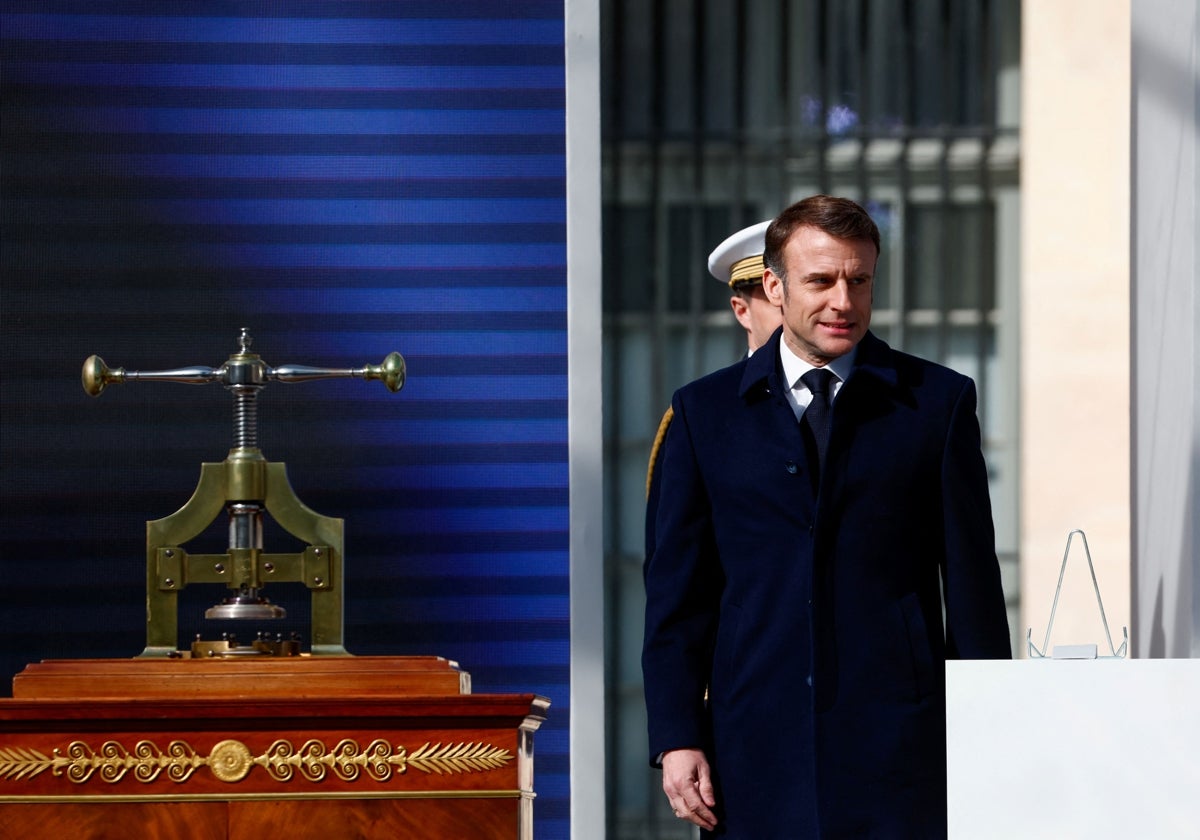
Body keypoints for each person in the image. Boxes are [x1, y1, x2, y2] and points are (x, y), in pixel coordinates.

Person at [642, 195, 1011, 838]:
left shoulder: (938, 404)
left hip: (900, 751)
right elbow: (679, 599)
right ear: (774, 288)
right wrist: (676, 737)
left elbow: (974, 591)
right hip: (750, 750)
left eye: (859, 280)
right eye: (821, 281)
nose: (843, 301)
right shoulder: (704, 416)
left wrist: (986, 736)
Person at [645, 220, 782, 555]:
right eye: (777, 299)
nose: (794, 311)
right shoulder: (701, 412)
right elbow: (672, 557)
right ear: (742, 311)